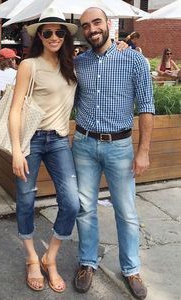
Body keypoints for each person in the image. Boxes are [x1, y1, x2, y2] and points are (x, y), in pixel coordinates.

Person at [72, 7, 154, 300]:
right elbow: (73, 98)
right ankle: (87, 262)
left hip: (120, 146)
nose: (92, 29)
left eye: (97, 22)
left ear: (108, 24)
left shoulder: (134, 60)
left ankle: (131, 268)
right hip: (83, 143)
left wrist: (142, 152)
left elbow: (146, 107)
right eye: (85, 26)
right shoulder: (79, 63)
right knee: (86, 209)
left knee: (127, 212)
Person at [9, 7, 80, 293]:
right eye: (47, 32)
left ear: (65, 35)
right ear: (39, 35)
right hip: (32, 141)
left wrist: (125, 48)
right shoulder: (30, 65)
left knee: (72, 203)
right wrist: (16, 150)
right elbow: (15, 110)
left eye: (59, 31)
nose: (54, 36)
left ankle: (50, 257)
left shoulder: (71, 64)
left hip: (60, 140)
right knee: (26, 199)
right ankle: (31, 258)